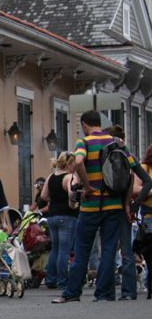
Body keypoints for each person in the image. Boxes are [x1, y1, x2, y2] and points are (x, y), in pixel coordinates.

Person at [52, 111, 152, 304]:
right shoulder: (118, 143)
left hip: (90, 206)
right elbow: (136, 176)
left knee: (82, 251)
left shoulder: (84, 142)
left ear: (84, 124)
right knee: (108, 251)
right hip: (113, 205)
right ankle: (104, 293)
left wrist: (88, 186)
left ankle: (72, 292)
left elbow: (78, 161)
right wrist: (131, 204)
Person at [105, 125, 136, 300]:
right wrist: (128, 203)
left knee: (108, 250)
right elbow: (133, 178)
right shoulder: (126, 152)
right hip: (123, 206)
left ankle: (107, 292)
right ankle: (129, 292)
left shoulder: (103, 152)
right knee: (126, 251)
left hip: (107, 206)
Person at [41, 153, 78, 291]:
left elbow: (44, 195)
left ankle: (50, 278)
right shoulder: (70, 177)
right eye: (74, 164)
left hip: (52, 216)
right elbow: (72, 193)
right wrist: (73, 205)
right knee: (64, 250)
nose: (75, 167)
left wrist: (55, 200)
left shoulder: (51, 176)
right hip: (66, 215)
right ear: (68, 164)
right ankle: (62, 281)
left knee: (55, 248)